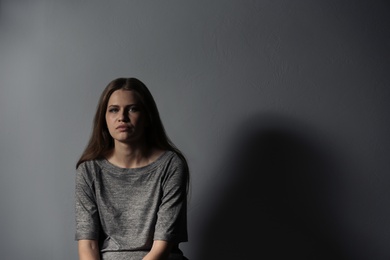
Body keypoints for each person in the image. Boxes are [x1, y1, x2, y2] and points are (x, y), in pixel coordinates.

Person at [75, 77, 189, 260]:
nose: (122, 117)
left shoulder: (171, 164)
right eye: (114, 110)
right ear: (104, 119)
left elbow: (162, 248)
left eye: (133, 109)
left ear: (147, 117)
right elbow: (87, 245)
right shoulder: (89, 169)